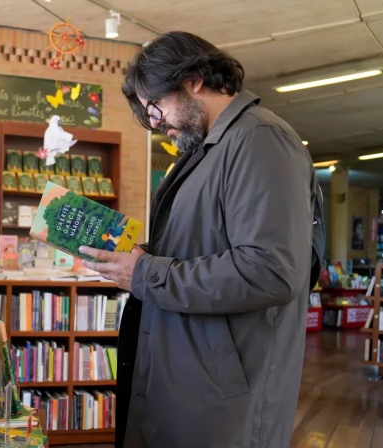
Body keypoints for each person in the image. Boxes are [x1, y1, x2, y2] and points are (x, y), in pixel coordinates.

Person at [79, 31, 319, 448]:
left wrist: (146, 273)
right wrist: (142, 258)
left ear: (192, 80)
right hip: (190, 380)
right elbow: (205, 250)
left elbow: (272, 271)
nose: (153, 121)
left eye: (154, 105)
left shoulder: (260, 140)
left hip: (223, 396)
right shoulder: (207, 149)